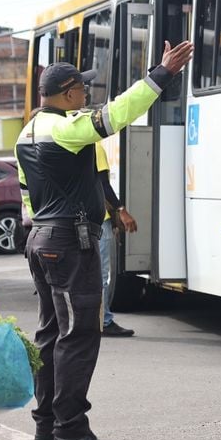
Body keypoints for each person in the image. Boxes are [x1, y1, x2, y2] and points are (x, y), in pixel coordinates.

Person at [15, 41, 192, 440]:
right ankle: (71, 431)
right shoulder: (66, 128)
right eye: (82, 89)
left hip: (40, 240)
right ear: (68, 93)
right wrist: (161, 74)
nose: (87, 96)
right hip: (69, 244)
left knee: (51, 333)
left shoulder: (26, 133)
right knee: (79, 335)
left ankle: (47, 424)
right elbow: (117, 114)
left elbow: (27, 198)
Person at [95, 141, 136, 338]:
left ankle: (90, 321)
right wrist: (120, 210)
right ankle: (104, 321)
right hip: (97, 220)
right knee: (101, 275)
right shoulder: (94, 147)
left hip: (76, 220)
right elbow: (102, 184)